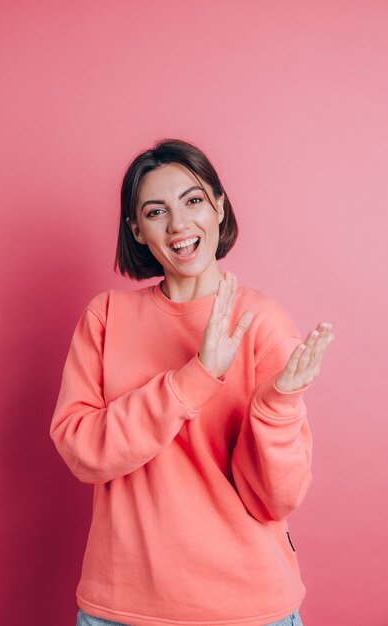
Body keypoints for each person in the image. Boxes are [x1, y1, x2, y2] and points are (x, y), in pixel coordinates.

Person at [50, 138, 334, 626]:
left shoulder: (262, 322)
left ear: (220, 207)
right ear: (137, 230)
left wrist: (277, 406)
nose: (179, 224)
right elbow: (82, 452)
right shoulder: (106, 317)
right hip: (122, 609)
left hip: (248, 609)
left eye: (194, 200)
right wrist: (194, 378)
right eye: (156, 211)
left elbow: (275, 499)